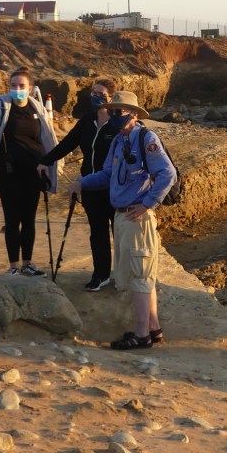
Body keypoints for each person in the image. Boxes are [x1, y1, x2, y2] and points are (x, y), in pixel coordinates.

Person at [69, 91, 175, 350]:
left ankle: (141, 335)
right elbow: (107, 174)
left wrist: (148, 203)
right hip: (123, 216)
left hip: (136, 217)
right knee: (141, 276)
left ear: (134, 114)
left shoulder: (146, 138)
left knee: (140, 275)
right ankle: (152, 328)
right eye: (113, 111)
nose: (115, 115)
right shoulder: (118, 141)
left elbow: (167, 173)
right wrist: (81, 182)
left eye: (120, 111)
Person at [0, 66, 58, 275]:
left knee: (29, 219)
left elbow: (49, 138)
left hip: (34, 173)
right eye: (13, 85)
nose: (17, 89)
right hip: (9, 173)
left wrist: (54, 166)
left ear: (30, 87)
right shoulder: (0, 109)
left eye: (21, 86)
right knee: (12, 219)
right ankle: (13, 266)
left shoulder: (37, 108)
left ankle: (28, 263)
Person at [37, 79, 119, 291]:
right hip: (90, 186)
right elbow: (67, 144)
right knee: (98, 232)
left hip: (115, 188)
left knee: (120, 233)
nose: (96, 96)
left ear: (111, 98)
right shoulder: (87, 120)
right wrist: (46, 160)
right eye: (93, 92)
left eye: (100, 93)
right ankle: (101, 275)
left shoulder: (119, 123)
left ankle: (125, 275)